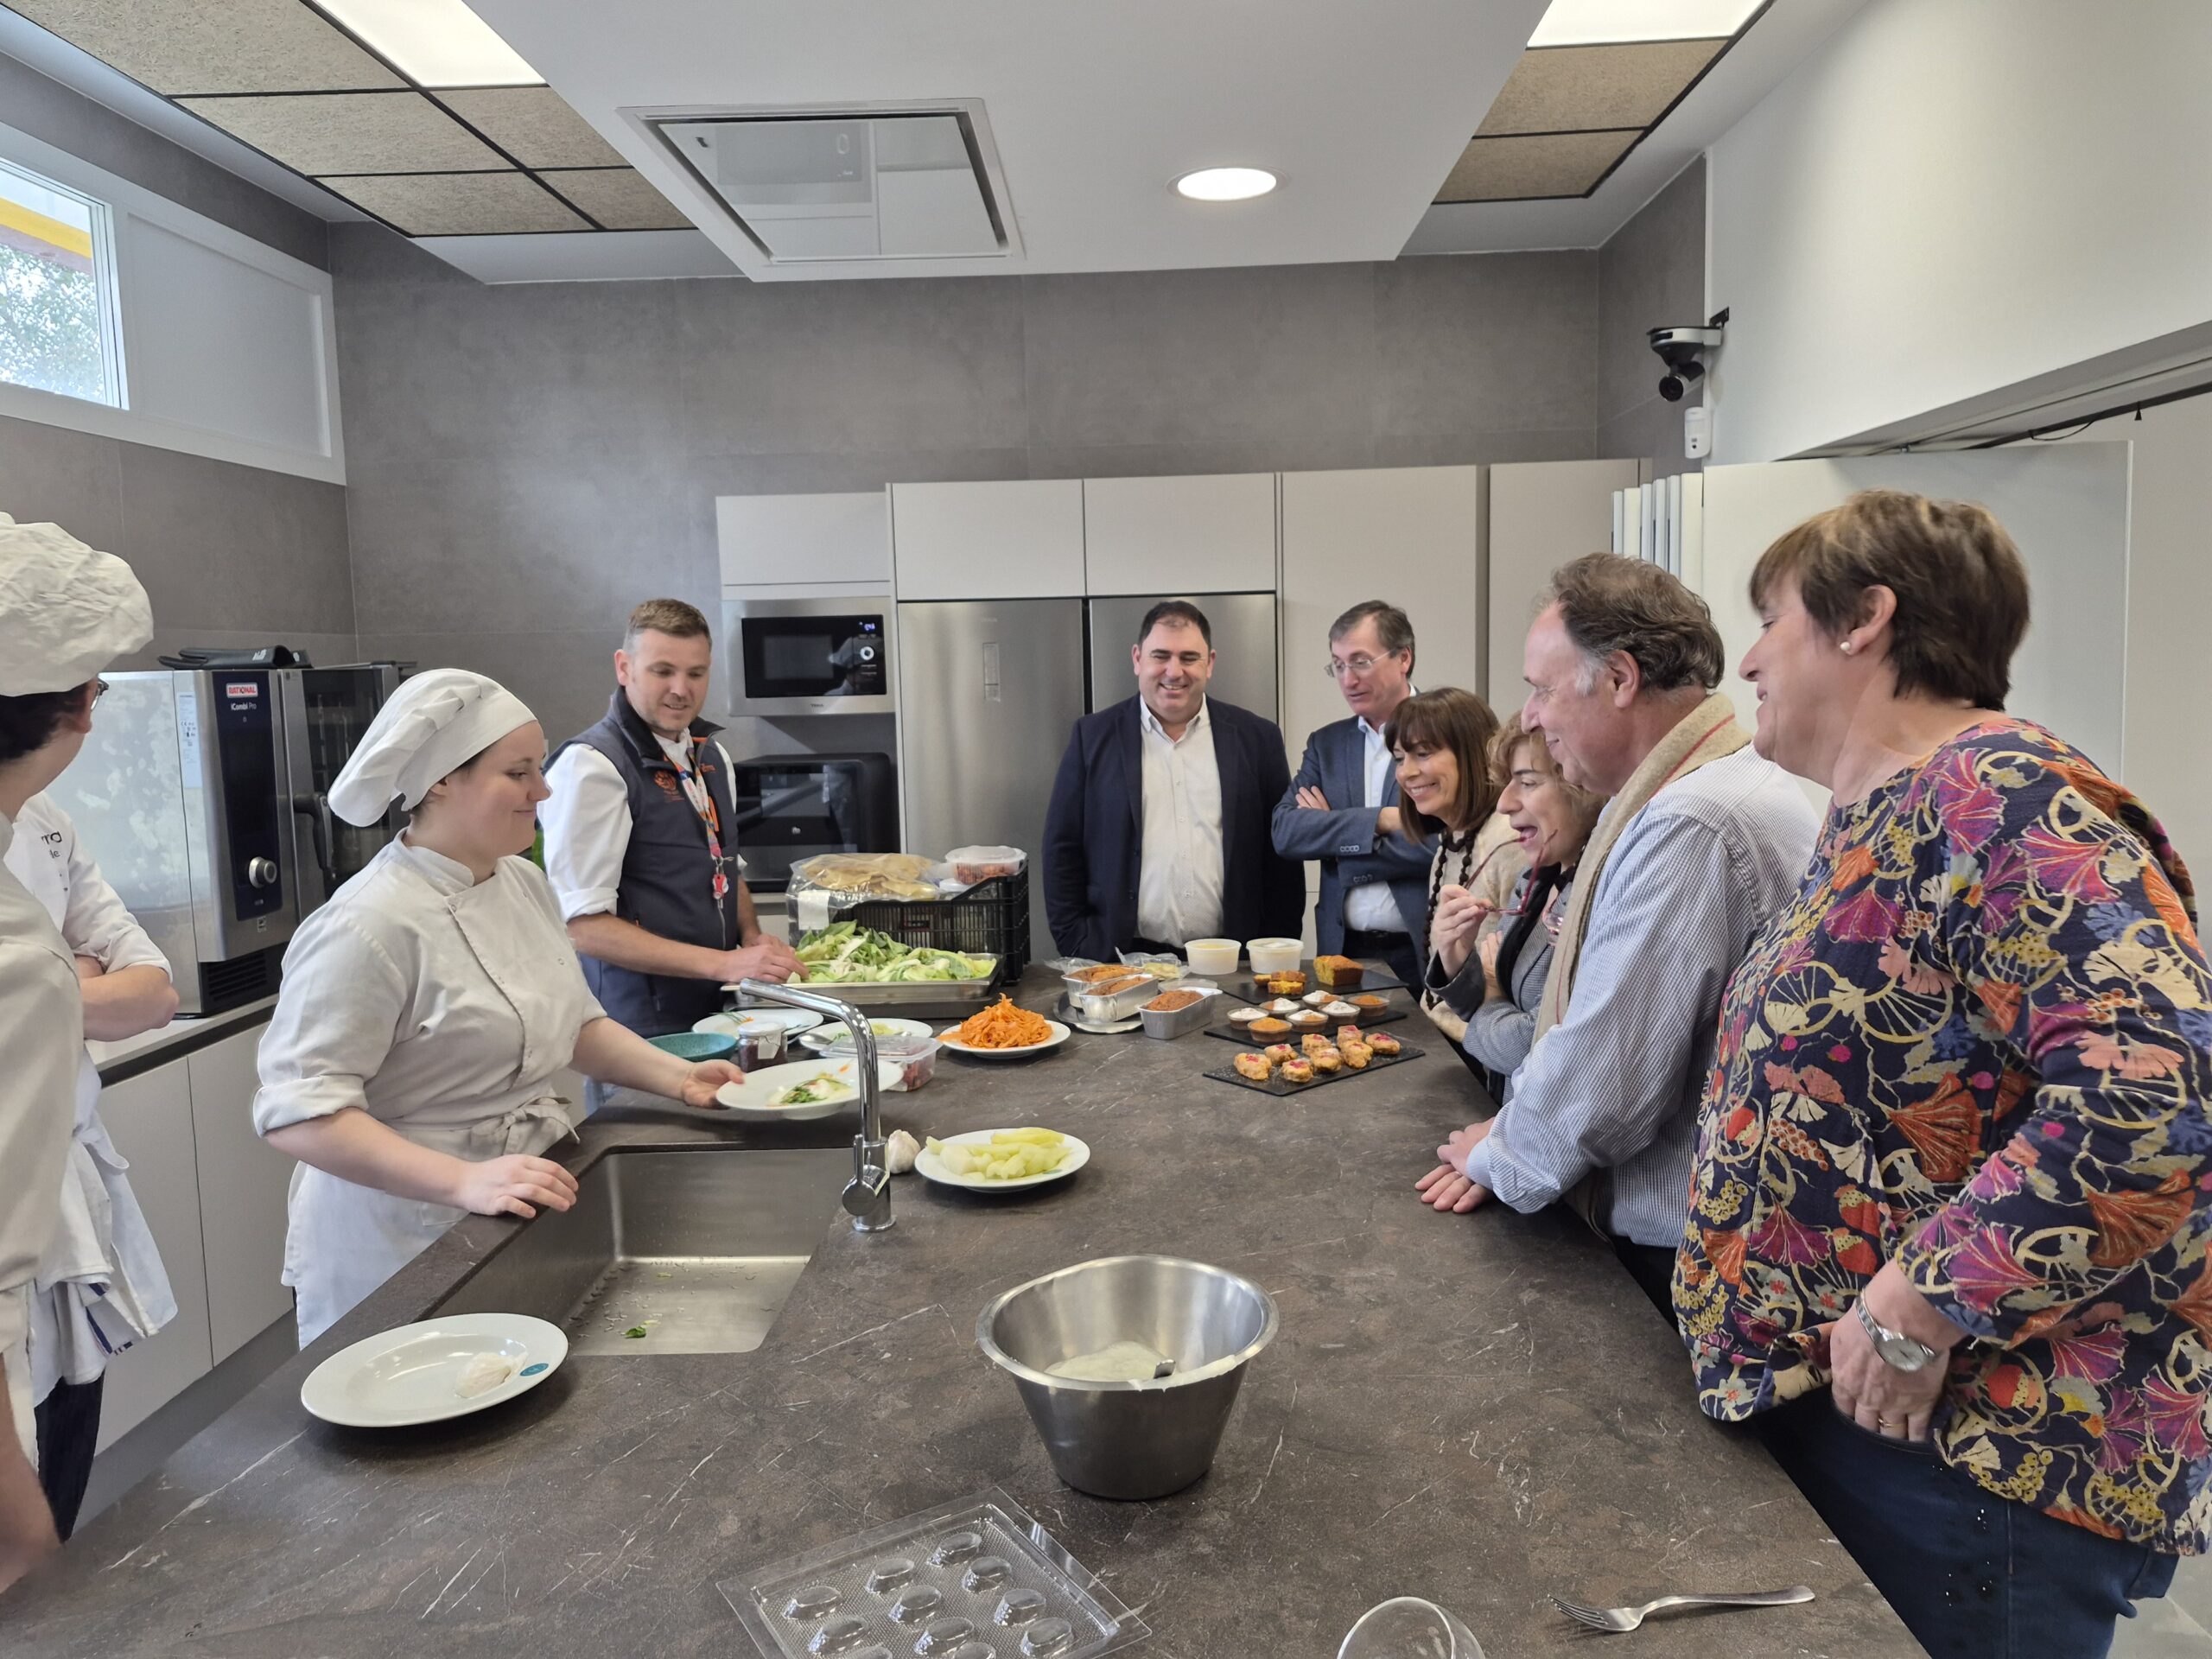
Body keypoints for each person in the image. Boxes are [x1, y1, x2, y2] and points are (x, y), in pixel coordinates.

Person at [1672, 491, 2211, 1654]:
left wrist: (1920, 1307)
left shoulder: (1999, 797)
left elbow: (2156, 1095)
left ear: (1866, 616)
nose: (1751, 657)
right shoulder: (1888, 817)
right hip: (1888, 1431)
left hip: (1972, 1456)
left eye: (1770, 619)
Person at [255, 670, 747, 1346]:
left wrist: (677, 1076)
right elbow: (299, 1115)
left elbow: (572, 1022)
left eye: (538, 768)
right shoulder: (368, 926)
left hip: (514, 1196)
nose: (542, 791)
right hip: (403, 1236)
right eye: (518, 772)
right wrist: (463, 1182)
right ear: (439, 784)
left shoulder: (520, 881)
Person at [1417, 554, 1819, 1315]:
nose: (1530, 715)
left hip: (1685, 1261)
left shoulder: (1692, 822)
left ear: (1621, 679)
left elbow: (1604, 1080)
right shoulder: (1698, 790)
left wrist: (1503, 1155)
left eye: (1541, 689)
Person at [0, 514, 151, 1590]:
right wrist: (22, 1533)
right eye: (95, 691)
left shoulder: (39, 842)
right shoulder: (15, 957)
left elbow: (151, 984)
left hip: (53, 1241)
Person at [5, 787, 180, 1539]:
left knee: (62, 1466)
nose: (89, 707)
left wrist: (43, 990)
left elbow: (154, 992)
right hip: (13, 1197)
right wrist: (77, 976)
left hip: (64, 1214)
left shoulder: (46, 822)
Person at [543, 599, 803, 1040]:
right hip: (639, 1030)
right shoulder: (591, 767)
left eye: (696, 673)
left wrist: (752, 936)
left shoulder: (711, 754)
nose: (681, 689)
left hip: (718, 1011)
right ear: (624, 668)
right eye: (663, 671)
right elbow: (583, 927)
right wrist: (724, 963)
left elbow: (724, 864)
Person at [1044, 600, 1303, 960]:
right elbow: (1062, 848)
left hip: (1233, 959)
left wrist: (1274, 946)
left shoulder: (1258, 738)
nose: (1174, 671)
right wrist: (1079, 942)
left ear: (1210, 663)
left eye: (1189, 658)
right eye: (1160, 656)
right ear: (1137, 659)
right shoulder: (1093, 737)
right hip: (1121, 960)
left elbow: (1282, 854)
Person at [1426, 718, 1603, 1092]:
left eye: (1527, 782)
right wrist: (1457, 959)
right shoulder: (1536, 878)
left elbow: (1528, 1048)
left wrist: (1492, 992)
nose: (1504, 803)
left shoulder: (1597, 896)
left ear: (1583, 787)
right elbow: (1492, 1011)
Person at [1272, 602, 1437, 987]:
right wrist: (1380, 821)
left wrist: (1334, 841)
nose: (1348, 679)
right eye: (1338, 664)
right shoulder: (1326, 744)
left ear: (1403, 658)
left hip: (1423, 952)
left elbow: (1439, 843)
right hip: (1343, 951)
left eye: (1360, 662)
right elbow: (1286, 832)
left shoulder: (1445, 734)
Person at [1375, 689, 1525, 1060]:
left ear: (1472, 753)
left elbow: (1512, 991)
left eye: (1423, 753)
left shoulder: (1511, 843)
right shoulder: (1451, 840)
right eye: (1399, 757)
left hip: (1482, 1056)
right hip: (1447, 1044)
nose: (1407, 772)